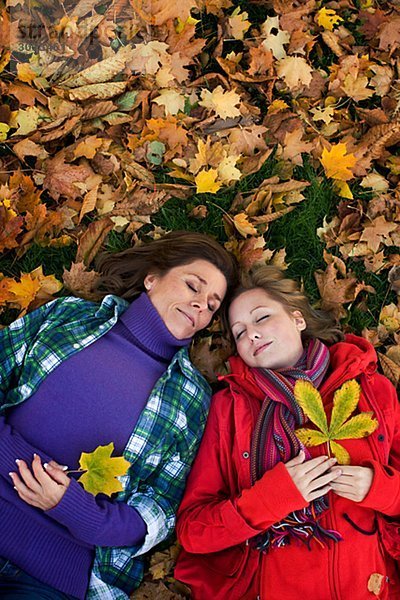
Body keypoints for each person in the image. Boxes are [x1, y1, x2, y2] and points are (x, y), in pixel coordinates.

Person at [0, 230, 237, 600]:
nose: (200, 306)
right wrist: (15, 461)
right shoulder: (68, 316)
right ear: (152, 278)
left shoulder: (191, 398)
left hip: (55, 576)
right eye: (193, 286)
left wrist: (77, 511)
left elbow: (159, 511)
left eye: (211, 305)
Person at [176, 265, 400, 600]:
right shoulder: (231, 408)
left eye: (261, 318)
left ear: (298, 319)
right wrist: (270, 499)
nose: (250, 334)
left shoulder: (372, 389)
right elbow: (193, 531)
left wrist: (379, 489)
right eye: (239, 333)